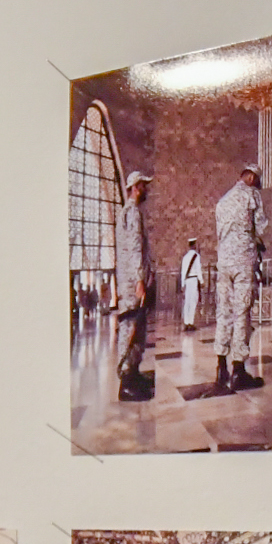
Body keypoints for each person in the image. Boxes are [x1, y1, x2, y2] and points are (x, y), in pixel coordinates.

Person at [212, 165, 266, 391]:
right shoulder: (251, 195)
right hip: (243, 262)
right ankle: (238, 370)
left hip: (223, 262)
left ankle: (221, 367)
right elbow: (260, 227)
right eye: (258, 181)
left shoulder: (222, 201)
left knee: (223, 311)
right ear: (251, 177)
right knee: (242, 313)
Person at [114, 171, 154, 400]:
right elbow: (134, 247)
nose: (147, 189)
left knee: (137, 328)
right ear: (136, 187)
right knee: (130, 327)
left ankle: (133, 373)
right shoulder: (132, 213)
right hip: (131, 283)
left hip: (131, 280)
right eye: (144, 186)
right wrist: (140, 279)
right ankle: (126, 383)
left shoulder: (128, 212)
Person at [179, 238, 204, 332]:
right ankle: (191, 322)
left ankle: (186, 322)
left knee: (187, 302)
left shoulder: (185, 257)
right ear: (194, 245)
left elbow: (183, 271)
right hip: (193, 279)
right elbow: (198, 269)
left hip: (187, 280)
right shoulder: (196, 256)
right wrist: (201, 281)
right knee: (193, 300)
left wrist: (182, 284)